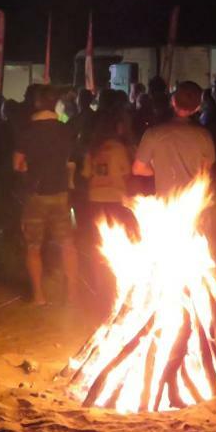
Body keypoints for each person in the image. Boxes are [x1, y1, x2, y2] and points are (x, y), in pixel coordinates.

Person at [13, 85, 77, 306]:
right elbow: (71, 161)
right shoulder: (65, 130)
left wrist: (30, 169)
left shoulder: (27, 131)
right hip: (60, 192)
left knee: (33, 246)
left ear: (37, 103)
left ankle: (39, 295)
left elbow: (18, 164)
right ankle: (71, 294)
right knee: (67, 243)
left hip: (36, 194)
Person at [80, 109, 136, 295]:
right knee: (118, 240)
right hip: (115, 199)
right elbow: (126, 173)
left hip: (95, 199)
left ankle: (99, 284)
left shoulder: (93, 149)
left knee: (97, 242)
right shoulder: (119, 149)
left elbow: (86, 174)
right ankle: (117, 282)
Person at [133, 81, 216, 197]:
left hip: (165, 204)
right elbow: (206, 172)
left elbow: (138, 168)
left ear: (173, 101)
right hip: (194, 204)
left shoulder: (153, 134)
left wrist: (160, 170)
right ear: (197, 107)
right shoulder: (204, 136)